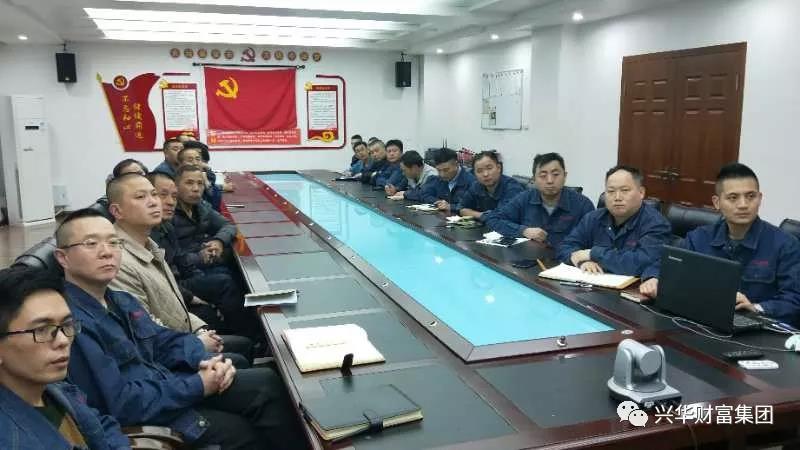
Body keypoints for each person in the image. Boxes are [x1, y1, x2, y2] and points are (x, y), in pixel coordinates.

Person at [55, 209, 306, 450]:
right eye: (91, 244)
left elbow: (162, 341)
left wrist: (204, 361)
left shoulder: (120, 300)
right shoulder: (71, 325)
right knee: (246, 429)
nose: (106, 252)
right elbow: (120, 404)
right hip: (152, 415)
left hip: (167, 386)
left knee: (265, 382)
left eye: (113, 243)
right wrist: (197, 385)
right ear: (62, 257)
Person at [639, 163, 800, 326]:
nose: (743, 204)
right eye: (733, 197)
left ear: (760, 198)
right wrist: (653, 278)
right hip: (703, 322)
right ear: (717, 202)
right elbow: (664, 264)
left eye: (750, 196)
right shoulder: (699, 237)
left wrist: (756, 308)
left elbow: (794, 300)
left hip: (758, 328)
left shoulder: (785, 244)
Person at [0, 266, 130, 450]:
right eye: (41, 330)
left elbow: (104, 426)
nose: (62, 340)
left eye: (67, 324)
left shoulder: (57, 390)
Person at [104, 173, 227, 354]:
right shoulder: (117, 261)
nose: (154, 202)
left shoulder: (150, 245)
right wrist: (196, 343)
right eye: (140, 197)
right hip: (166, 355)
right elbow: (145, 331)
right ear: (117, 211)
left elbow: (174, 307)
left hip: (182, 338)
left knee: (243, 346)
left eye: (154, 194)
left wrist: (199, 329)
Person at [149, 171, 259, 343]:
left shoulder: (194, 210)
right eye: (162, 195)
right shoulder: (159, 226)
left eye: (200, 184)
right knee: (224, 282)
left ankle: (251, 335)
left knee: (233, 267)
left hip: (186, 276)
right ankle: (251, 338)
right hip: (176, 289)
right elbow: (161, 283)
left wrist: (218, 241)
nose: (170, 201)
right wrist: (192, 296)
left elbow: (228, 226)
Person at [556, 165, 671, 278]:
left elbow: (642, 262)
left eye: (625, 190)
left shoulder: (656, 224)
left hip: (632, 288)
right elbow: (565, 247)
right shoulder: (593, 218)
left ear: (641, 192)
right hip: (592, 283)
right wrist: (582, 262)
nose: (617, 197)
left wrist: (593, 253)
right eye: (611, 191)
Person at [485, 152, 594, 246]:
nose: (550, 180)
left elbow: (592, 241)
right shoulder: (525, 198)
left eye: (555, 174)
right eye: (543, 175)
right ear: (534, 180)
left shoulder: (583, 205)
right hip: (529, 259)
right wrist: (523, 231)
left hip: (566, 261)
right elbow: (493, 219)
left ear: (565, 176)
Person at [457, 150, 525, 220]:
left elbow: (501, 217)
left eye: (489, 168)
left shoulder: (512, 188)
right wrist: (481, 215)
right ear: (474, 174)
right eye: (479, 171)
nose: (485, 174)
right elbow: (461, 209)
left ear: (499, 168)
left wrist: (476, 214)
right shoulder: (476, 186)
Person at [421, 147, 476, 212]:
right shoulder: (436, 179)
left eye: (446, 170)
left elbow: (473, 206)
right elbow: (424, 195)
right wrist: (439, 202)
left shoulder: (472, 182)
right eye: (439, 170)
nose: (442, 174)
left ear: (456, 164)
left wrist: (451, 207)